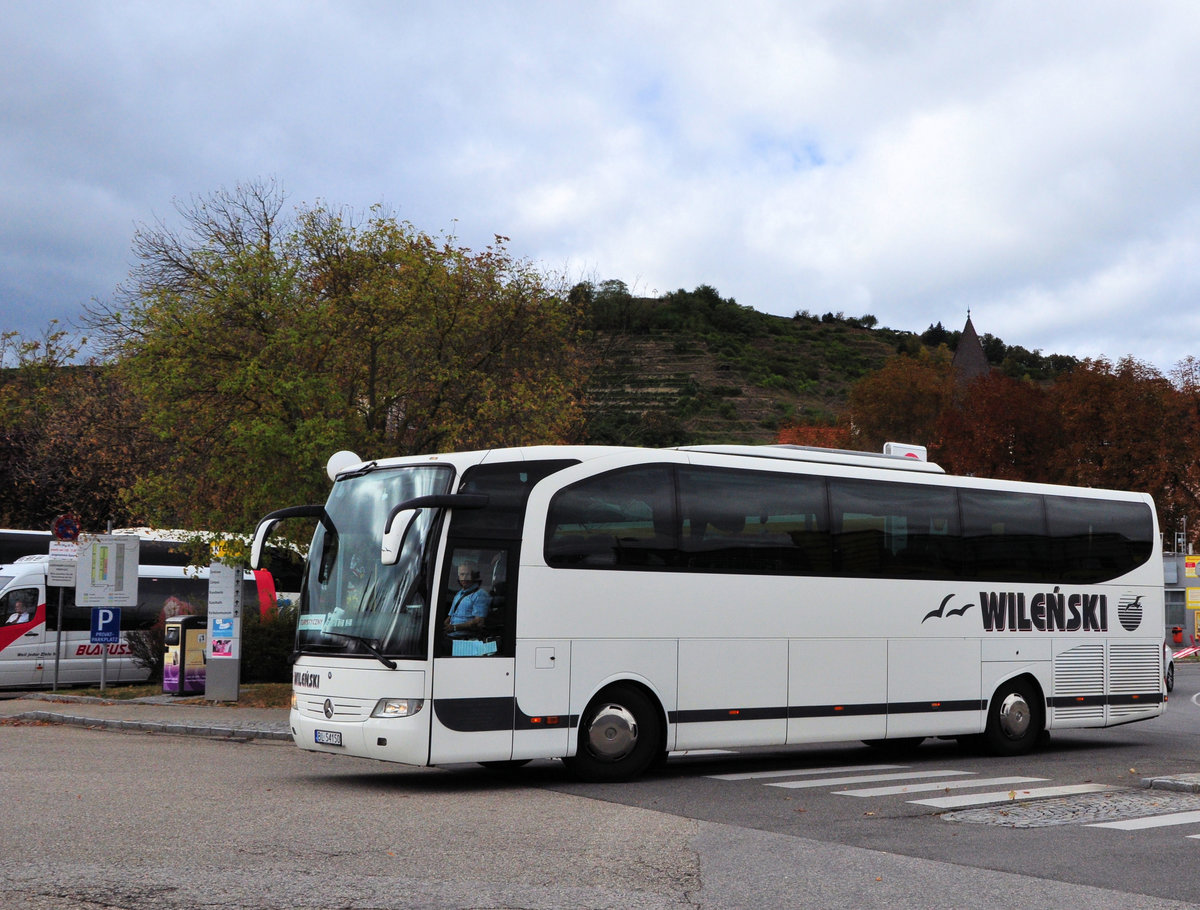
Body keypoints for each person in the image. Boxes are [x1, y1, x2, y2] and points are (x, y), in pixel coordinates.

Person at [444, 561, 491, 638]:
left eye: (468, 574)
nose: (464, 578)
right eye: (462, 574)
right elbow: (450, 616)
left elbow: (479, 621)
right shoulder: (458, 594)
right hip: (451, 635)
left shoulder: (480, 595)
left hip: (465, 638)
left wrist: (455, 628)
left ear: (474, 575)